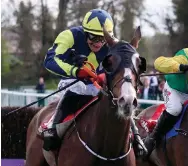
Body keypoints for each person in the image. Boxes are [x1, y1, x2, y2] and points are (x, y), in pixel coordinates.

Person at [43, 9, 146, 156]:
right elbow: (49, 61)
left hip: (95, 84)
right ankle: (52, 129)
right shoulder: (69, 36)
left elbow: (126, 58)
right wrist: (75, 71)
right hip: (71, 81)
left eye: (102, 38)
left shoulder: (111, 43)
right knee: (78, 87)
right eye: (94, 38)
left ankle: (135, 136)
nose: (99, 43)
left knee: (119, 97)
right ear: (85, 32)